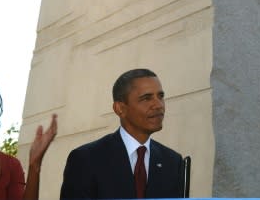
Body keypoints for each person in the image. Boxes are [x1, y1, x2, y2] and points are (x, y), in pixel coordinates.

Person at [60, 68, 185, 199]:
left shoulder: (172, 161)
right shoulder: (86, 159)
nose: (158, 105)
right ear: (120, 108)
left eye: (160, 96)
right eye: (146, 98)